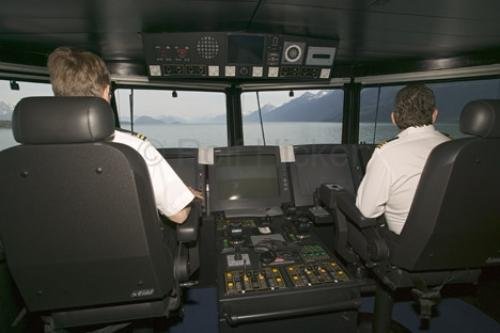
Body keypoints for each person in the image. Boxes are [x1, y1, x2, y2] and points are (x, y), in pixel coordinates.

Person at [47, 46, 200, 223]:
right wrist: (186, 196)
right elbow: (179, 216)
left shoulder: (27, 158)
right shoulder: (133, 148)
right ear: (106, 92)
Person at [356, 83, 450, 235]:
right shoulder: (453, 147)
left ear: (394, 118)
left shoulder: (386, 153)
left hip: (406, 248)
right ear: (435, 114)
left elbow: (367, 212)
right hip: (451, 241)